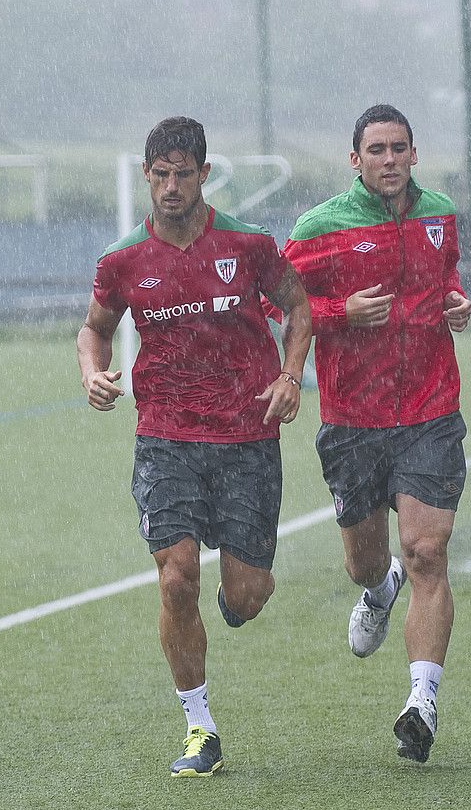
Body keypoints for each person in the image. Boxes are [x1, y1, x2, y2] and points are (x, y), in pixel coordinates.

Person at [76, 116, 312, 777]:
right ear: (146, 177)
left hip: (247, 437)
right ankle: (199, 726)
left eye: (184, 173)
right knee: (176, 578)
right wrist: (93, 373)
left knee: (247, 594)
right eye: (161, 174)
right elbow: (93, 330)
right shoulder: (123, 261)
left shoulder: (248, 243)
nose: (172, 185)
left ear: (205, 175)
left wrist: (290, 376)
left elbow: (298, 307)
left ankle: (235, 603)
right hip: (166, 437)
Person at [282, 104, 471, 764]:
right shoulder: (320, 227)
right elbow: (279, 303)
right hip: (353, 423)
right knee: (368, 560)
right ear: (354, 159)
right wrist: (340, 312)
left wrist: (457, 299)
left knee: (428, 551)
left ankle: (421, 701)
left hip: (430, 413)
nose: (389, 159)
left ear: (414, 154)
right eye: (376, 149)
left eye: (399, 148)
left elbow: (445, 276)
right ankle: (376, 588)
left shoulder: (441, 213)